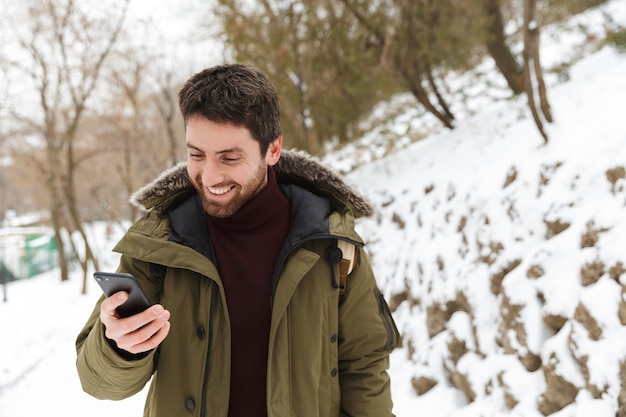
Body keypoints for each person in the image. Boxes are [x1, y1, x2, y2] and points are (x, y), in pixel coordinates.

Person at [76, 63, 401, 417]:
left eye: (229, 157)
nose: (210, 176)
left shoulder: (332, 242)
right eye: (196, 155)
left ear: (273, 149)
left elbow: (365, 364)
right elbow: (99, 383)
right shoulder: (159, 244)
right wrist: (118, 347)